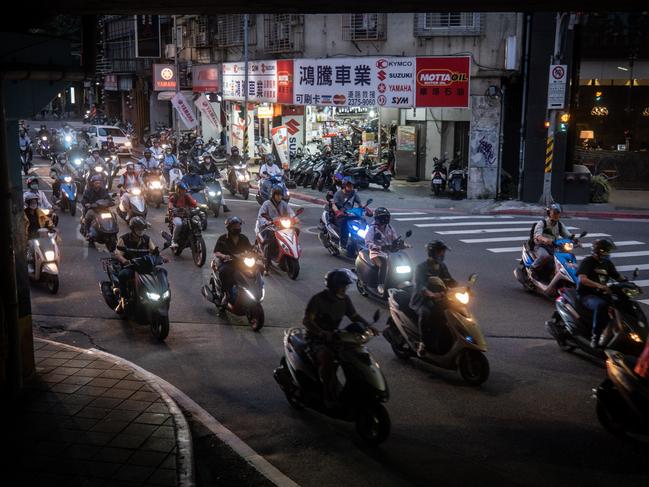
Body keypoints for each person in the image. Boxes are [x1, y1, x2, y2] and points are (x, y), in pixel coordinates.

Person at [303, 269, 371, 407]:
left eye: (345, 286)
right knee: (328, 359)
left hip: (335, 337)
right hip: (316, 339)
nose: (344, 289)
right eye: (342, 286)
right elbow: (307, 321)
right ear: (333, 287)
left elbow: (354, 316)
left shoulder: (345, 299)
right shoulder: (318, 299)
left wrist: (369, 326)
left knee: (356, 357)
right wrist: (321, 332)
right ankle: (328, 394)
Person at [410, 241, 458, 357]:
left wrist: (463, 288)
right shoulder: (421, 267)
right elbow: (420, 285)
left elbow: (449, 280)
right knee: (425, 313)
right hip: (421, 300)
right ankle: (423, 343)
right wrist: (429, 293)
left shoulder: (442, 266)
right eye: (440, 252)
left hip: (440, 298)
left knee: (454, 310)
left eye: (443, 252)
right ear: (432, 253)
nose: (442, 254)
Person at [576, 239, 624, 348]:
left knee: (620, 304)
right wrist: (600, 286)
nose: (607, 254)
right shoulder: (587, 262)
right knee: (601, 305)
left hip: (603, 293)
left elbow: (617, 276)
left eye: (608, 252)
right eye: (605, 251)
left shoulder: (607, 263)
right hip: (586, 295)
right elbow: (582, 279)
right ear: (597, 251)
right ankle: (595, 337)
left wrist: (626, 282)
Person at [112, 217, 163, 313]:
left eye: (142, 229)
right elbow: (118, 254)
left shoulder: (147, 239)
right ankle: (122, 300)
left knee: (162, 272)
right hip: (131, 267)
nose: (141, 231)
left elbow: (154, 250)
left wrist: (160, 257)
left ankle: (162, 296)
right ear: (133, 229)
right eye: (138, 229)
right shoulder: (124, 239)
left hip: (144, 267)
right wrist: (125, 261)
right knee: (123, 275)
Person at [213, 216, 254, 303]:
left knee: (256, 268)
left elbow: (250, 249)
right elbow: (216, 252)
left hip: (241, 262)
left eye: (238, 226)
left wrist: (258, 254)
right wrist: (224, 256)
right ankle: (226, 294)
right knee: (224, 271)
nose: (237, 228)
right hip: (228, 263)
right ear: (229, 228)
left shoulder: (243, 238)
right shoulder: (223, 238)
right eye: (234, 226)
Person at [257, 187, 295, 273]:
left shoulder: (283, 204)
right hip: (268, 226)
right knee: (269, 242)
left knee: (293, 232)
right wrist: (267, 222)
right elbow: (260, 216)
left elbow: (290, 212)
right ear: (273, 195)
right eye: (277, 195)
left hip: (281, 226)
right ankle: (266, 264)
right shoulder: (267, 204)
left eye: (280, 195)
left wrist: (294, 218)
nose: (279, 197)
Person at [530, 203, 572, 281]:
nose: (556, 215)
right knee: (544, 256)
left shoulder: (559, 225)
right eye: (554, 213)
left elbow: (567, 235)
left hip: (553, 247)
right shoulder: (542, 223)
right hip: (540, 246)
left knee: (563, 259)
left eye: (558, 213)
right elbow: (537, 235)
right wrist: (544, 239)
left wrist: (575, 239)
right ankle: (532, 269)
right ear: (549, 213)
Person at [365, 207, 401, 295]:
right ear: (378, 218)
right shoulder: (372, 229)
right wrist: (376, 247)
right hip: (376, 253)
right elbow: (367, 242)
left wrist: (401, 244)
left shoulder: (389, 227)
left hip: (389, 252)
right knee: (383, 264)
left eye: (386, 217)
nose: (385, 219)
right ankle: (380, 284)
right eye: (383, 217)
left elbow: (395, 238)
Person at [24, 193, 55, 273]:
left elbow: (47, 220)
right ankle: (30, 264)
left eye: (35, 202)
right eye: (32, 202)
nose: (34, 204)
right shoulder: (24, 214)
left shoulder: (39, 211)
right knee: (31, 247)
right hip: (29, 237)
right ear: (28, 203)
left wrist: (51, 227)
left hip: (41, 236)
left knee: (51, 244)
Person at [332, 178, 364, 251]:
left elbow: (359, 203)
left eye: (351, 186)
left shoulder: (353, 194)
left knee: (362, 221)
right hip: (341, 215)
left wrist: (364, 208)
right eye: (348, 185)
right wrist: (338, 212)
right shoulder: (338, 194)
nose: (350, 187)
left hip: (350, 214)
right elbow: (334, 205)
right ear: (344, 185)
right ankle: (342, 244)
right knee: (344, 226)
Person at [168, 181, 197, 249]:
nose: (184, 191)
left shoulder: (187, 196)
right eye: (182, 189)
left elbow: (194, 203)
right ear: (178, 189)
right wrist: (172, 208)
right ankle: (173, 241)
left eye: (184, 190)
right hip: (176, 216)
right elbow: (170, 203)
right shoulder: (174, 196)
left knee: (194, 223)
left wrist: (202, 206)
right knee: (179, 224)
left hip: (186, 216)